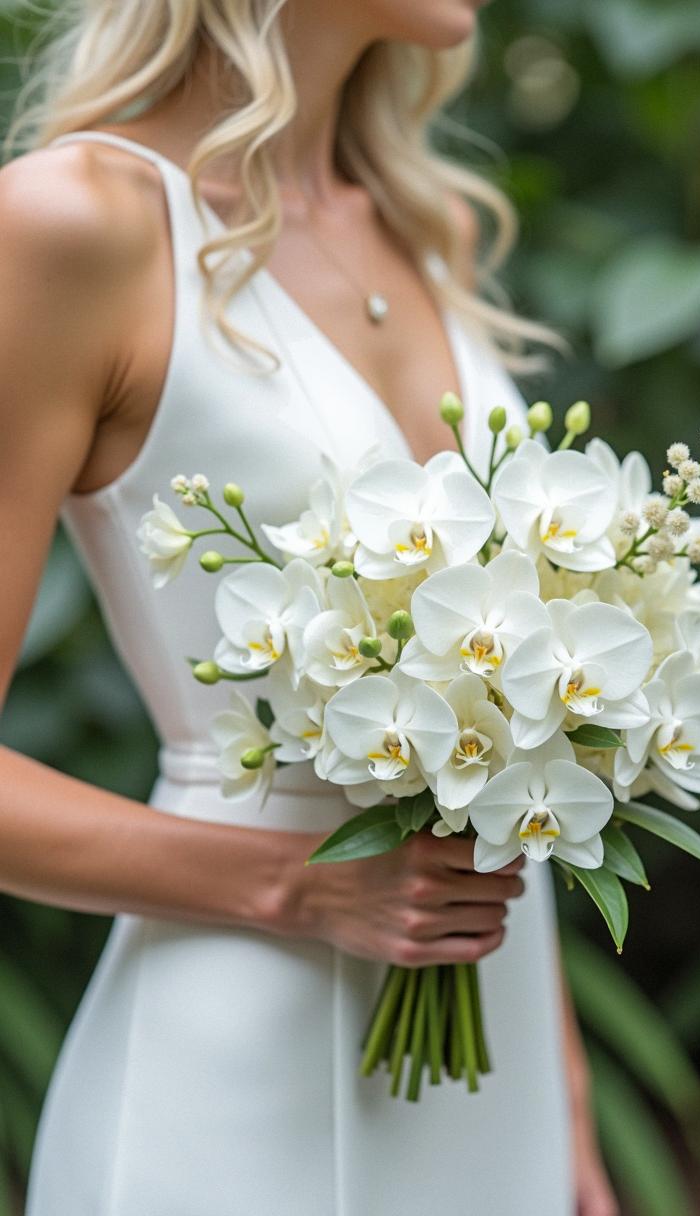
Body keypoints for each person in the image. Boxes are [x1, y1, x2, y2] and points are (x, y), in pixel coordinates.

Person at [0, 2, 618, 1213]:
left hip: (494, 1070)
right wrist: (301, 882)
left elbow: (510, 760)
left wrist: (567, 1103)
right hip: (232, 1064)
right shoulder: (76, 224)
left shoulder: (425, 227)